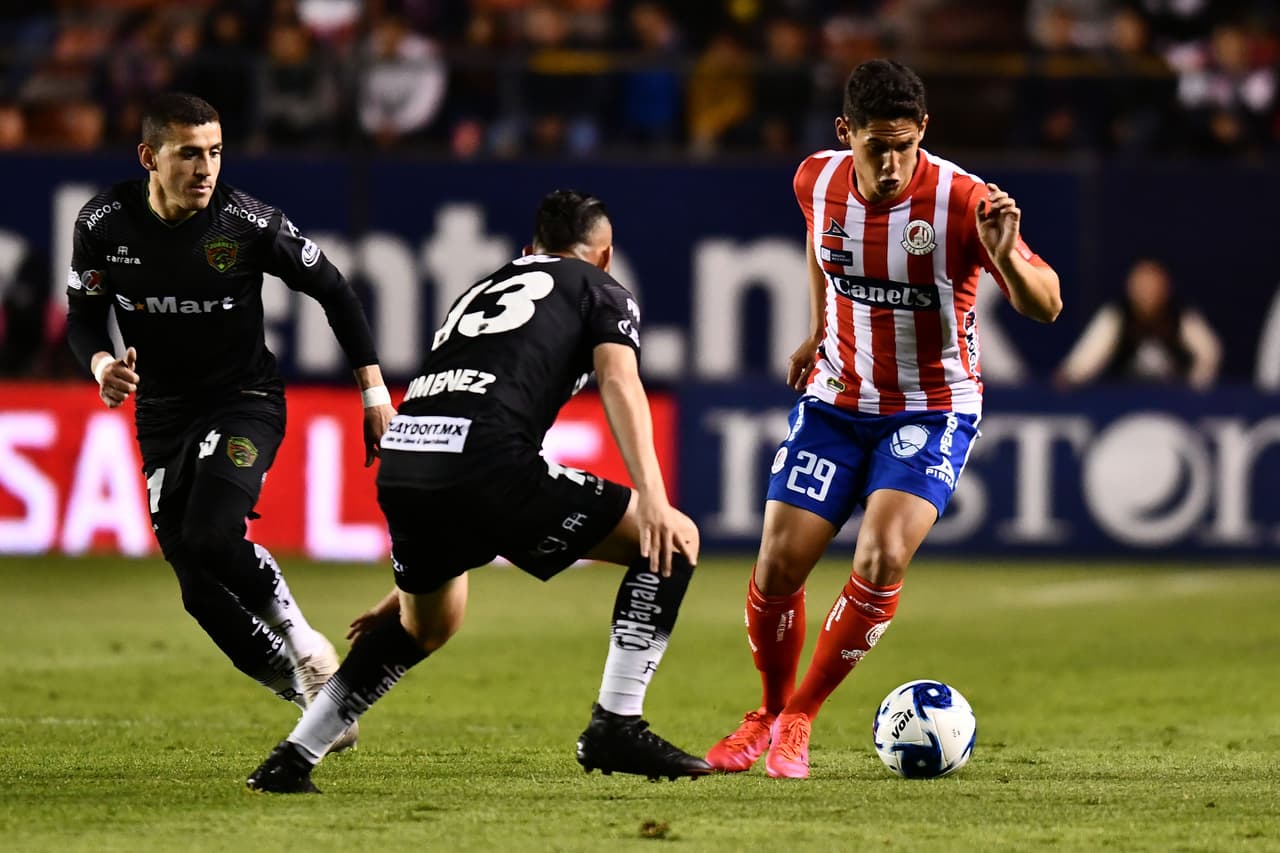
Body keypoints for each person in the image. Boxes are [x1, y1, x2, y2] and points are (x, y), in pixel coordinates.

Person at [246, 190, 711, 794]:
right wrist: (652, 493)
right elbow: (620, 380)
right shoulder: (600, 289)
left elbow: (465, 403)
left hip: (407, 457)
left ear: (529, 250)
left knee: (429, 622)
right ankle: (616, 723)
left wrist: (416, 574)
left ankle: (294, 756)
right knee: (673, 540)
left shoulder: (480, 290)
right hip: (487, 458)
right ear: (604, 256)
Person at [704, 59, 1062, 779]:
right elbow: (819, 240)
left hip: (934, 407)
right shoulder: (816, 179)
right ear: (847, 134)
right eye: (877, 145)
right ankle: (766, 713)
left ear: (923, 131)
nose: (893, 162)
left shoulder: (964, 202)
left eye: (906, 144)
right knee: (777, 562)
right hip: (838, 398)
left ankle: (800, 717)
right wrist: (815, 328)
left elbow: (1047, 303)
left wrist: (1007, 263)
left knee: (881, 555)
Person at [65, 92, 396, 752]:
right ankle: (314, 696)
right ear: (148, 157)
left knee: (214, 534)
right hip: (161, 415)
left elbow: (333, 288)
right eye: (189, 153)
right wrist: (102, 362)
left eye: (215, 152)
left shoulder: (246, 223)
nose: (205, 167)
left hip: (244, 399)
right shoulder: (104, 223)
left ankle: (308, 648)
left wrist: (373, 391)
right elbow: (82, 313)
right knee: (199, 592)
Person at [1055, 257, 1220, 390]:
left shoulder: (1181, 316)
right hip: (1122, 402)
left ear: (1165, 287)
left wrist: (1195, 391)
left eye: (1152, 284)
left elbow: (1209, 354)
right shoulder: (1117, 315)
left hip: (1174, 404)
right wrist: (1070, 376)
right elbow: (1088, 356)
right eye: (1140, 285)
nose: (1146, 292)